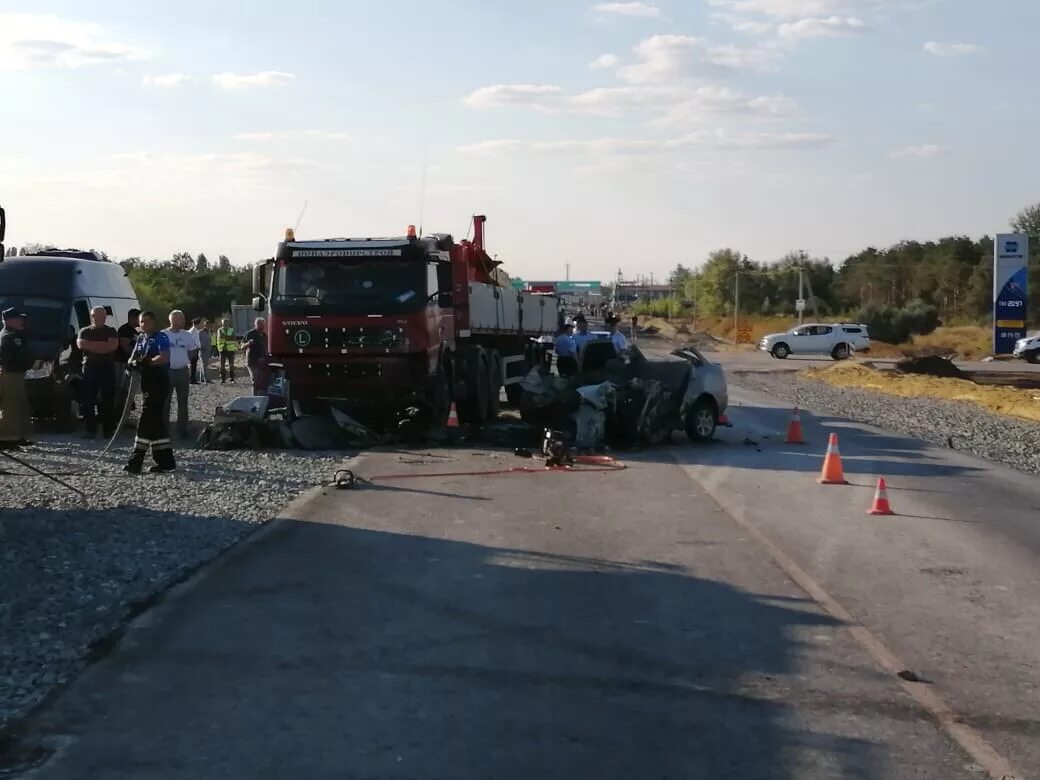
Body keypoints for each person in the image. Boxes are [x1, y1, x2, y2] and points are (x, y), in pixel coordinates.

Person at [125, 311, 174, 474]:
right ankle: (165, 460)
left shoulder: (160, 338)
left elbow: (164, 357)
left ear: (153, 322)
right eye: (140, 322)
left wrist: (148, 363)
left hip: (159, 381)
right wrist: (132, 364)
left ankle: (136, 459)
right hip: (146, 381)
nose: (142, 325)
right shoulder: (140, 339)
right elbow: (133, 357)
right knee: (156, 421)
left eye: (145, 321)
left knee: (146, 419)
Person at [76, 306, 119, 439]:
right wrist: (102, 345)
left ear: (105, 317)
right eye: (95, 315)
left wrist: (93, 346)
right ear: (92, 316)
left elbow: (112, 346)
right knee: (88, 400)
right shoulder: (84, 331)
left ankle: (108, 430)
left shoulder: (111, 331)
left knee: (107, 399)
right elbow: (81, 345)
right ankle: (90, 430)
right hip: (90, 368)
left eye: (101, 316)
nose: (98, 318)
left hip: (107, 367)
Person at [0, 308, 33, 450]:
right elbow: (6, 358)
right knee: (10, 405)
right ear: (9, 321)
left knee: (20, 404)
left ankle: (17, 435)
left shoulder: (16, 335)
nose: (21, 321)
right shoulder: (7, 336)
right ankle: (6, 438)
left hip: (17, 373)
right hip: (11, 373)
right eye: (18, 318)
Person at [162, 310, 194, 439]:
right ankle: (163, 428)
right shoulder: (163, 334)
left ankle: (182, 428)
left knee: (183, 402)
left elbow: (192, 350)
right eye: (181, 319)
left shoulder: (187, 335)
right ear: (173, 320)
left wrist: (187, 360)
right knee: (165, 401)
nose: (184, 321)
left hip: (182, 371)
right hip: (167, 372)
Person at [115, 309, 140, 424]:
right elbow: (125, 347)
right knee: (120, 390)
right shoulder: (125, 330)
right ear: (132, 318)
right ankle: (118, 417)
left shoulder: (134, 331)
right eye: (138, 318)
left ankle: (124, 416)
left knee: (127, 391)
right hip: (121, 363)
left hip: (129, 364)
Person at [240, 317, 268, 395]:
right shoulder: (250, 334)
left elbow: (266, 348)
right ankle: (254, 396)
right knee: (255, 379)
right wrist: (248, 343)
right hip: (252, 361)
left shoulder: (264, 336)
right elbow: (241, 347)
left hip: (262, 361)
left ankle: (260, 397)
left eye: (262, 324)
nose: (261, 326)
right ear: (255, 325)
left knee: (261, 381)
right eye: (259, 324)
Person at [215, 318, 237, 383]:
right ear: (222, 323)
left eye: (226, 322)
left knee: (231, 365)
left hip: (230, 349)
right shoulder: (219, 330)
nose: (225, 323)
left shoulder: (231, 330)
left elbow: (233, 338)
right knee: (222, 365)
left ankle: (232, 378)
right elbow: (220, 337)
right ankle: (223, 379)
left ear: (228, 323)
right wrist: (228, 337)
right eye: (224, 322)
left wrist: (225, 337)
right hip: (222, 349)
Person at [193, 318, 211, 383]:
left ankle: (202, 378)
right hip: (202, 350)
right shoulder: (200, 332)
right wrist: (201, 347)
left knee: (205, 365)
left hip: (208, 350)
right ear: (204, 325)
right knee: (203, 364)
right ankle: (205, 379)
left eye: (209, 325)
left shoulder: (208, 332)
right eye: (207, 325)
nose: (208, 326)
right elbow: (197, 341)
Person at [188, 318, 203, 385]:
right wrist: (199, 346)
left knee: (193, 365)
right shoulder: (194, 331)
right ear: (197, 324)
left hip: (193, 349)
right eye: (200, 324)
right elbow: (196, 341)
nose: (201, 325)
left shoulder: (193, 330)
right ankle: (192, 379)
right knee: (193, 365)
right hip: (193, 349)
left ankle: (192, 378)